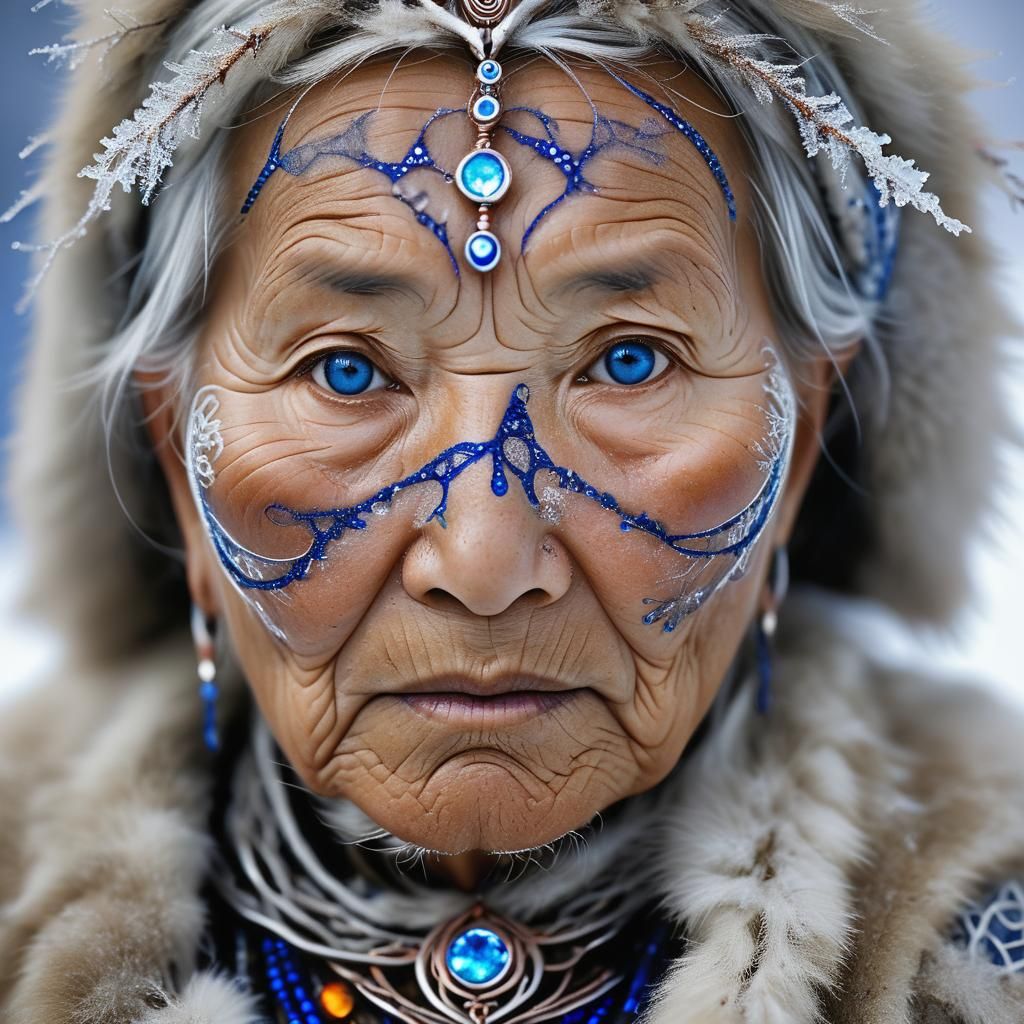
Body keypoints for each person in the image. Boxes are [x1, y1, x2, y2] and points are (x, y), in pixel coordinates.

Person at [1, 0, 1022, 1021]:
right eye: (347, 370)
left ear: (799, 434)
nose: (483, 560)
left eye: (629, 361)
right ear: (177, 449)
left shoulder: (988, 938)